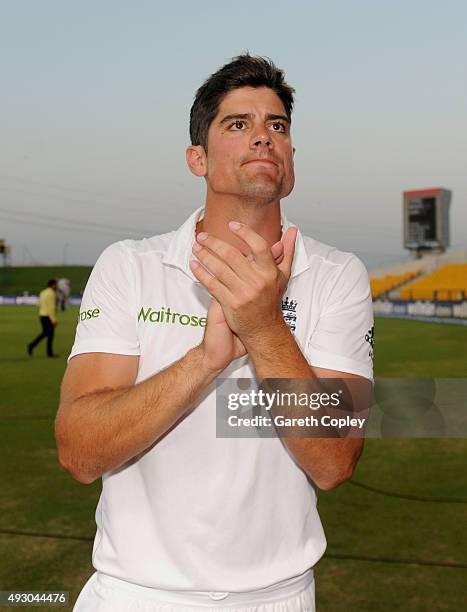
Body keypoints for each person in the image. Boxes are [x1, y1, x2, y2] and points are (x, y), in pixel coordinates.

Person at [55, 54, 374, 612]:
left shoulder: (337, 275)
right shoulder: (130, 265)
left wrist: (263, 325)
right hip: (133, 594)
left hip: (277, 596)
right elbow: (79, 452)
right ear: (196, 159)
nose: (263, 138)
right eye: (238, 124)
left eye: (277, 126)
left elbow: (334, 463)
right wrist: (205, 359)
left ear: (292, 162)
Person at [28, 279, 58, 357]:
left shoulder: (43, 292)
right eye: (56, 285)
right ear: (52, 285)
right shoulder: (52, 293)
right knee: (50, 334)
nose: (57, 286)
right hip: (48, 316)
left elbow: (39, 304)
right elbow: (51, 307)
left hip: (42, 315)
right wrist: (53, 319)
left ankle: (32, 345)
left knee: (45, 333)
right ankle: (49, 353)